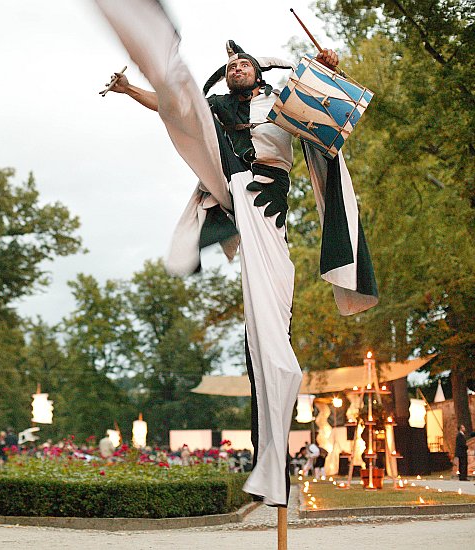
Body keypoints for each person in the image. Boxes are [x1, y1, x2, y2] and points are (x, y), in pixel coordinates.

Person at [99, 3, 377, 507]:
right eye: (228, 68)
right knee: (181, 94)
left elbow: (328, 106)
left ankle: (271, 443)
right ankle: (154, 42)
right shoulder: (220, 109)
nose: (234, 68)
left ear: (256, 68)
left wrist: (331, 68)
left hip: (268, 201)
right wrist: (126, 89)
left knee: (270, 318)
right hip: (231, 183)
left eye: (242, 63)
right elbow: (173, 108)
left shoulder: (284, 101)